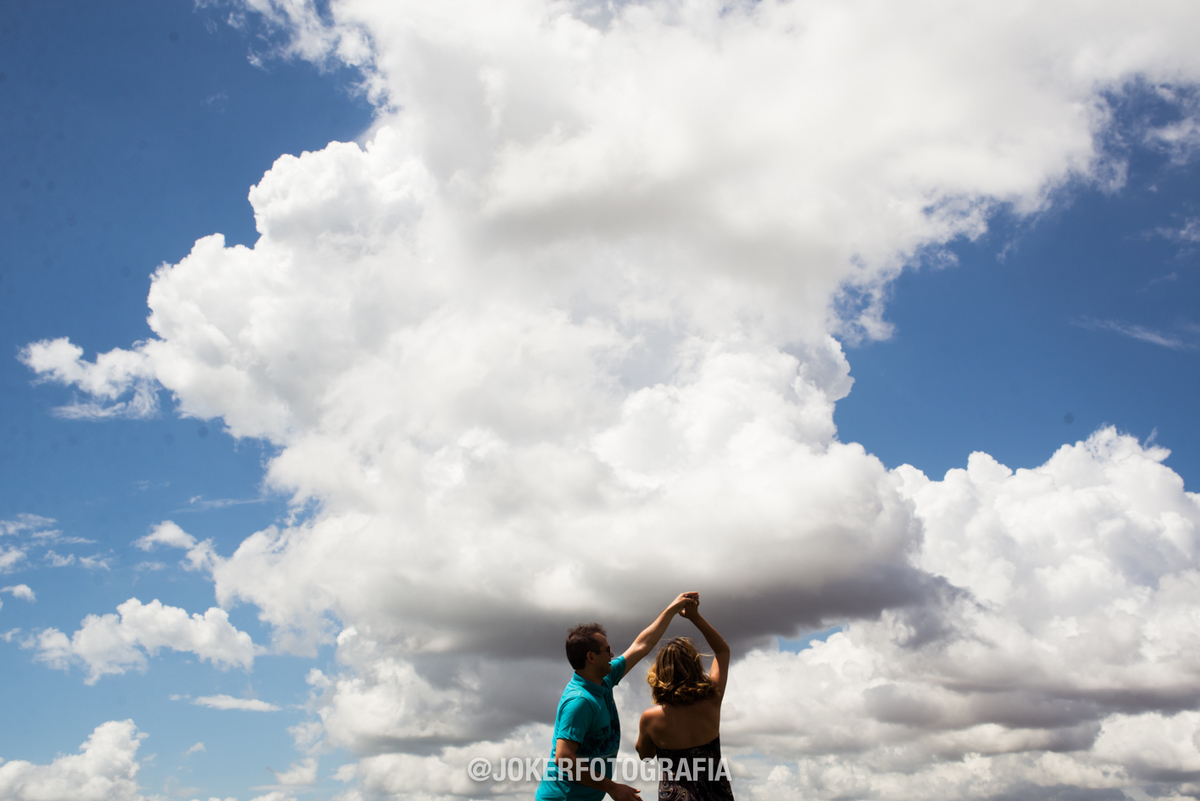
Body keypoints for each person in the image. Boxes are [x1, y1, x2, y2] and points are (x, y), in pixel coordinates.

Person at [536, 592, 699, 801]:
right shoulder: (580, 701)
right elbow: (564, 758)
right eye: (607, 650)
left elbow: (641, 645)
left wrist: (672, 610)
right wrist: (612, 787)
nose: (612, 655)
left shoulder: (604, 679)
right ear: (591, 657)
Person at [635, 599, 733, 801]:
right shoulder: (712, 699)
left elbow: (645, 755)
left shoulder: (650, 718)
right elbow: (722, 651)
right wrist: (695, 617)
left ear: (659, 672)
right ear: (695, 666)